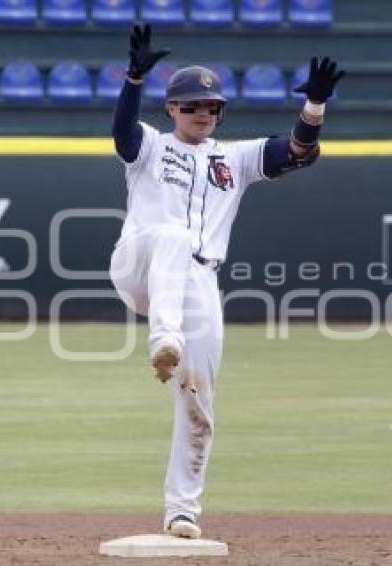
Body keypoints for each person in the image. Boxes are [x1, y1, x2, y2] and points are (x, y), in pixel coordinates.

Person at [108, 23, 344, 539]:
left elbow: (296, 152)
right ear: (171, 109)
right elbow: (123, 133)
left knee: (199, 398)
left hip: (198, 283)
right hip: (139, 264)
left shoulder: (233, 158)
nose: (204, 114)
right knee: (171, 236)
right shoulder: (150, 145)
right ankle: (164, 338)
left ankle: (182, 511)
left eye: (212, 107)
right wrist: (132, 80)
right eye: (192, 105)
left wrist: (315, 108)